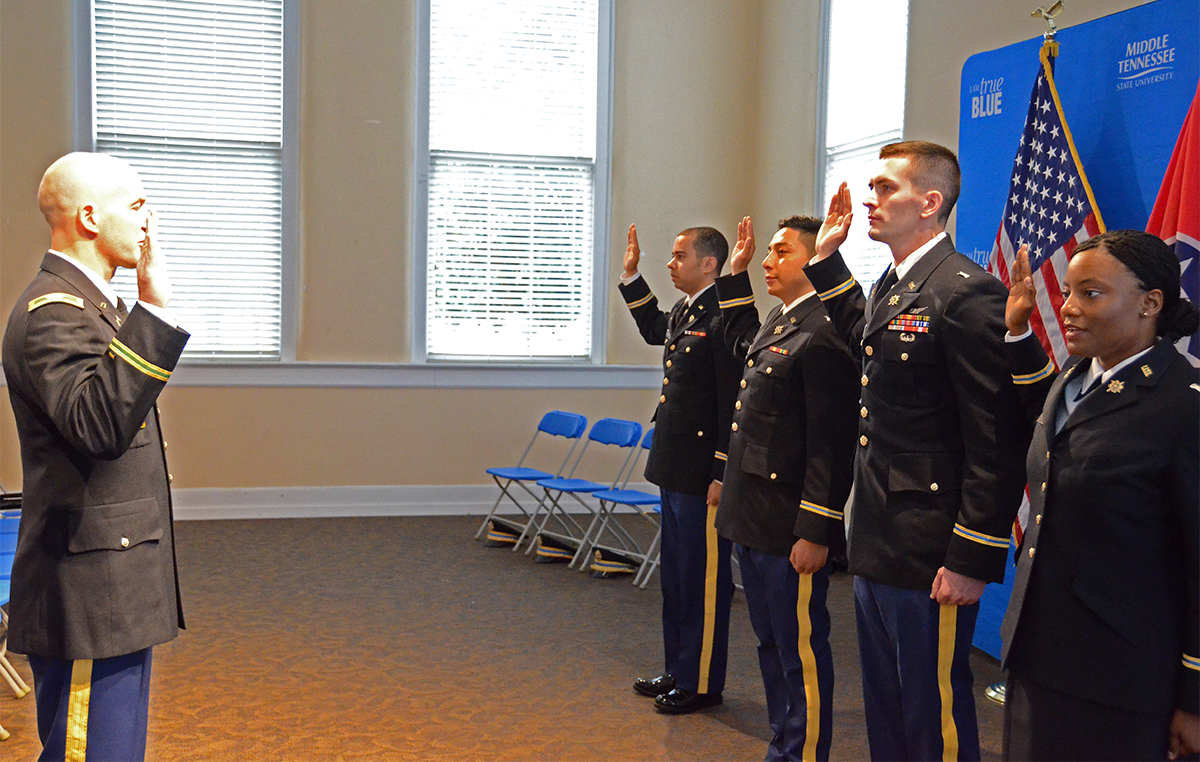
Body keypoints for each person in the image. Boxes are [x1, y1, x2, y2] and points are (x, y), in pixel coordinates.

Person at [804, 140, 1028, 760]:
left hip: (932, 545)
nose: (869, 199)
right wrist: (825, 261)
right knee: (887, 704)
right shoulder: (897, 283)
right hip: (881, 532)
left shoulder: (965, 292)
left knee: (934, 712)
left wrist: (971, 554)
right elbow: (868, 342)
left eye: (884, 188)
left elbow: (996, 438)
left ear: (930, 203)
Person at [2, 152, 189, 761]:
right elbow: (100, 425)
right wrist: (154, 310)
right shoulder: (53, 312)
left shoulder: (89, 306)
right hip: (90, 590)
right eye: (135, 206)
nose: (148, 221)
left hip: (111, 582)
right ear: (88, 215)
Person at [1000, 230, 1199, 761]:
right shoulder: (1073, 376)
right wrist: (1019, 332)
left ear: (1150, 304)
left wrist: (1195, 697)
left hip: (1120, 676)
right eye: (1067, 292)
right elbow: (1054, 437)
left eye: (1091, 294)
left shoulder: (1183, 406)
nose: (1068, 308)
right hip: (1039, 649)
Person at [713, 215, 858, 760]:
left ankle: (803, 750)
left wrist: (817, 527)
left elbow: (831, 440)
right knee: (770, 644)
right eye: (768, 253)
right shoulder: (783, 318)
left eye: (780, 252)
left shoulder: (825, 333)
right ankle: (783, 740)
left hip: (787, 522)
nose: (769, 261)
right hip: (752, 514)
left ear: (814, 260)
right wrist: (736, 276)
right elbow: (738, 343)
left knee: (800, 650)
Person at [619, 223, 740, 714]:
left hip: (701, 473)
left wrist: (721, 471)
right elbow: (655, 329)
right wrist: (632, 277)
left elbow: (730, 402)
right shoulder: (689, 311)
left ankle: (704, 681)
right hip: (673, 465)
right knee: (677, 574)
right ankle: (680, 668)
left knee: (704, 577)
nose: (670, 264)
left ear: (709, 263)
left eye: (678, 256)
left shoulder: (725, 316)